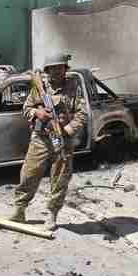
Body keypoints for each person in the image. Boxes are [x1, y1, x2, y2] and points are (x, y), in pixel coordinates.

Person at [9, 54, 88, 231]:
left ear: (65, 69)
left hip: (63, 141)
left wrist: (67, 130)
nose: (57, 72)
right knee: (29, 174)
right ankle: (19, 210)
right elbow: (26, 108)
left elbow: (82, 114)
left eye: (60, 68)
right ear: (48, 70)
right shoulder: (40, 87)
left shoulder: (73, 88)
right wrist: (38, 113)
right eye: (53, 69)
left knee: (60, 179)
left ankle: (52, 215)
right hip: (41, 139)